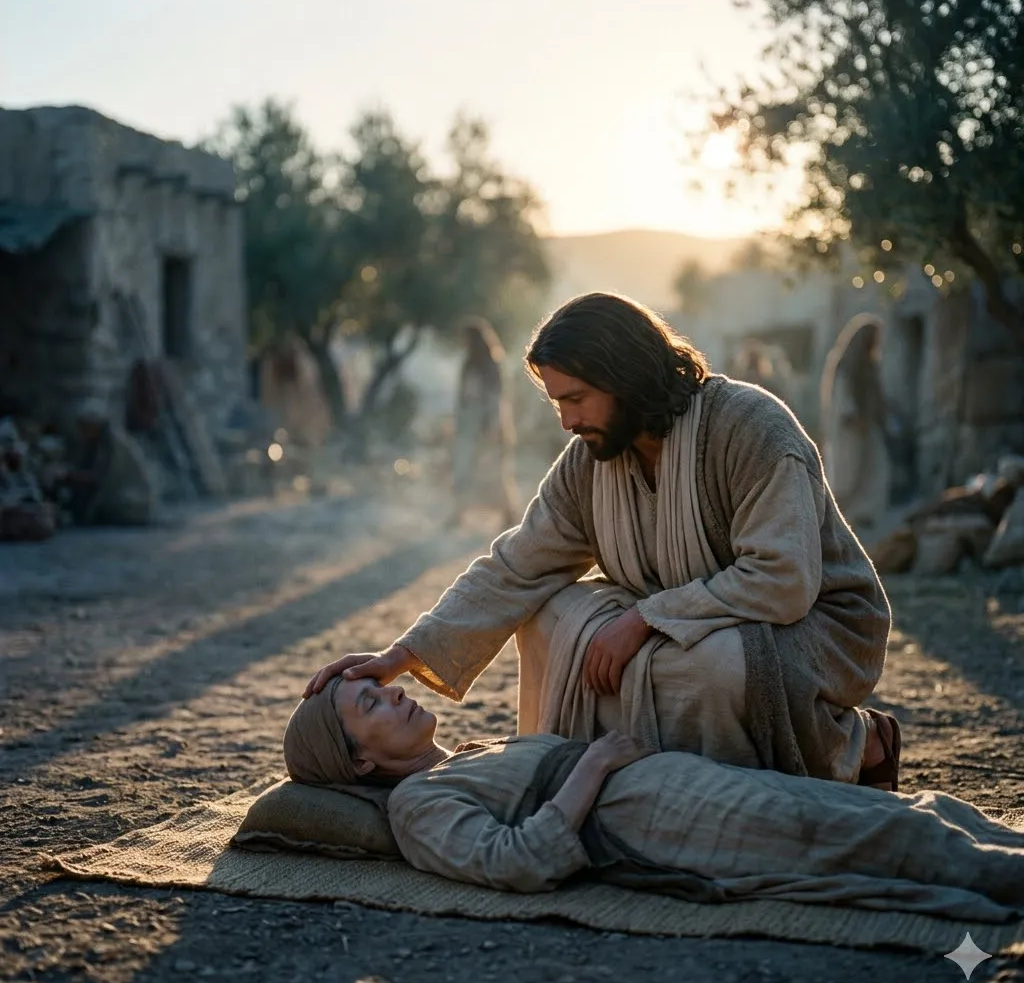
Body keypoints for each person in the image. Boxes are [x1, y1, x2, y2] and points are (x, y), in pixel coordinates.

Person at [307, 293, 896, 790]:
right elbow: (517, 565)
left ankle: (852, 744)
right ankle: (582, 786)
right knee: (549, 620)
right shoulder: (590, 460)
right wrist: (403, 654)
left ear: (625, 378)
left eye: (575, 399)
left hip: (811, 627)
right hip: (689, 620)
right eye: (557, 403)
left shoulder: (750, 428)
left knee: (714, 668)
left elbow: (783, 579)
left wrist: (644, 618)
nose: (566, 421)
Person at [281, 680, 1024, 920]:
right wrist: (594, 765)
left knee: (893, 810)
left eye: (382, 687)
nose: (395, 694)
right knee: (853, 837)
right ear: (360, 760)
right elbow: (515, 862)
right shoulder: (416, 807)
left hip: (675, 783)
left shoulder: (469, 754)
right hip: (655, 824)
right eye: (372, 704)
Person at [820, 314, 892, 530]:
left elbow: (876, 396)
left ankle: (864, 516)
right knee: (846, 476)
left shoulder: (870, 365)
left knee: (877, 468)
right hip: (849, 430)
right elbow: (842, 398)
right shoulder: (846, 364)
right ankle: (837, 522)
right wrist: (854, 417)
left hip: (869, 427)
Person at [450, 317, 518, 528]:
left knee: (495, 472)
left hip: (489, 426)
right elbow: (462, 398)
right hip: (469, 426)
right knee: (462, 469)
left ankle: (509, 514)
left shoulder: (491, 365)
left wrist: (492, 425)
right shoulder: (468, 364)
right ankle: (458, 513)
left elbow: (496, 398)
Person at [64, 398, 156, 526]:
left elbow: (102, 478)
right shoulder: (94, 444)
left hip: (130, 503)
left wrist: (72, 476)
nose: (83, 431)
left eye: (86, 426)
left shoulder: (114, 445)